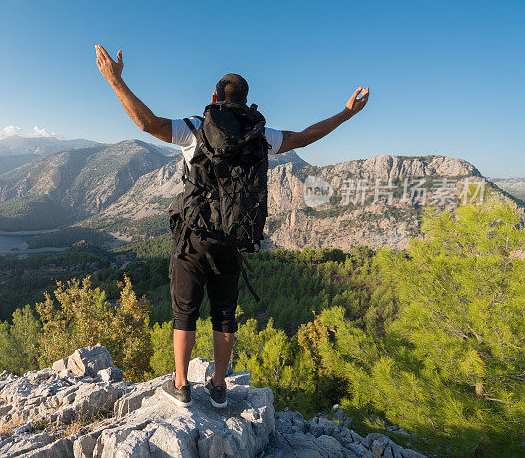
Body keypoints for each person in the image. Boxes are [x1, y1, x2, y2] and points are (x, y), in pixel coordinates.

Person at [95, 44, 369, 408]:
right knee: (224, 314)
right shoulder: (261, 136)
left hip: (194, 235)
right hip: (234, 237)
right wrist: (346, 114)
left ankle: (181, 384)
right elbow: (306, 135)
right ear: (246, 101)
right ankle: (219, 386)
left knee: (184, 311)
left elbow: (148, 123)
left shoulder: (195, 128)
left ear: (213, 97)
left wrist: (115, 80)